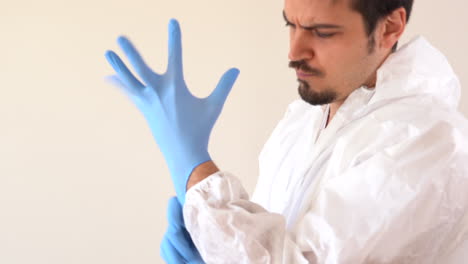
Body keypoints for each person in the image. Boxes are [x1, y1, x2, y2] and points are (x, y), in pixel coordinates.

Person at [105, 0, 468, 263]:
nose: (294, 51)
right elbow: (277, 242)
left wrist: (192, 166)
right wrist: (212, 247)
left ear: (390, 27)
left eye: (321, 31)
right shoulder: (303, 119)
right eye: (290, 24)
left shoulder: (432, 141)